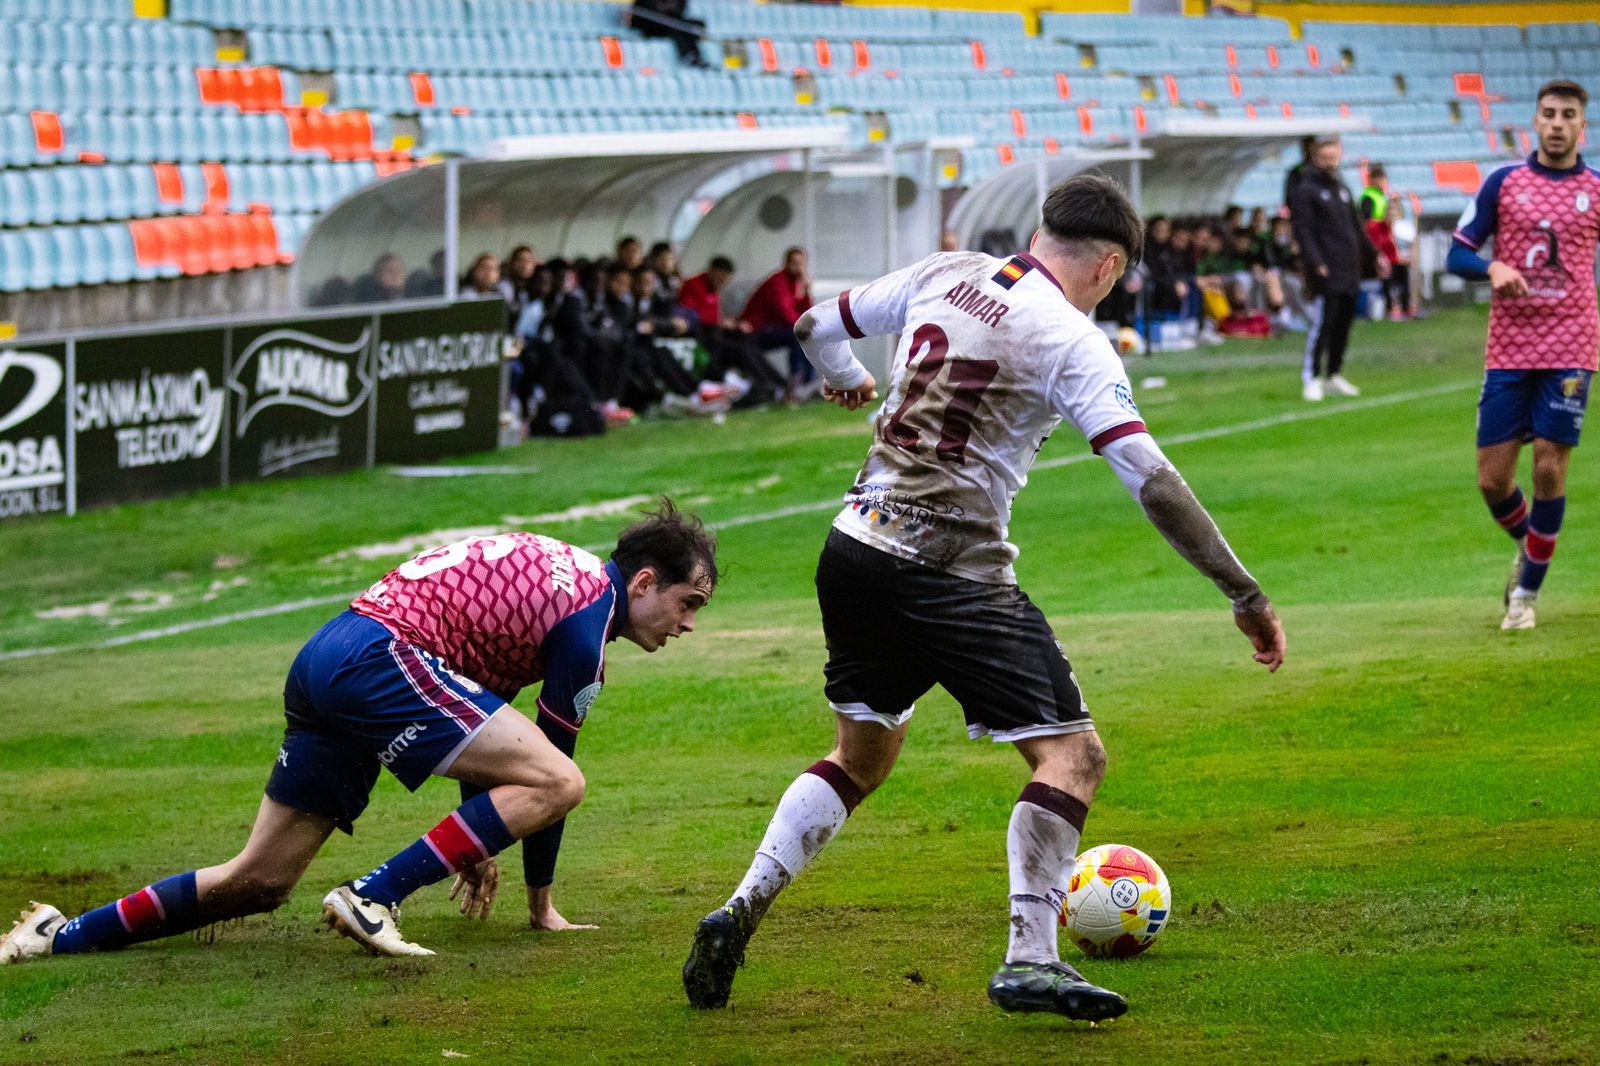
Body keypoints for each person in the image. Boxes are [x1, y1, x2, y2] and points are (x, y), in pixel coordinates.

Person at [681, 174, 1286, 1020]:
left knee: (859, 758)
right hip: (948, 567)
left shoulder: (945, 271)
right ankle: (1030, 957)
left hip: (853, 545)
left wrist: (850, 377)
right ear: (1110, 265)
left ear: (1042, 233)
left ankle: (739, 906)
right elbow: (1149, 477)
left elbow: (816, 324)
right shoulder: (1072, 340)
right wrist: (1242, 589)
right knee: (1074, 759)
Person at [2, 505, 718, 964]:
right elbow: (549, 770)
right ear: (645, 582)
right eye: (688, 604)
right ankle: (373, 895)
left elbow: (488, 724)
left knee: (258, 879)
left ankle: (57, 936)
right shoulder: (587, 622)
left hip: (329, 655)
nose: (686, 625)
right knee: (564, 781)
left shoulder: (566, 578)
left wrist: (477, 832)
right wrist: (542, 907)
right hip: (381, 656)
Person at [1446, 78, 1598, 631]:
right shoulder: (1504, 184)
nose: (1557, 124)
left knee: (1549, 468)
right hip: (1510, 347)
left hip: (1572, 344)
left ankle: (1525, 597)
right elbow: (1457, 253)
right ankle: (1532, 545)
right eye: (1549, 114)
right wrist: (1492, 267)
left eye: (1568, 116)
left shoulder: (1597, 190)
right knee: (1491, 480)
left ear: (1583, 126)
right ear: (1534, 122)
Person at [1289, 135, 1386, 402]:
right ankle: (1312, 377)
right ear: (1315, 156)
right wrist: (1315, 261)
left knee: (1343, 323)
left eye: (1334, 156)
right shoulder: (1306, 188)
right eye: (1325, 156)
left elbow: (1355, 226)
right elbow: (1303, 230)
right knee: (1324, 323)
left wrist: (1374, 255)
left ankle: (1334, 374)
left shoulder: (1341, 187)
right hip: (1326, 268)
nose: (1330, 161)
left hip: (1348, 267)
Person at [739, 246, 814, 399]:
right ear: (786, 263)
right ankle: (797, 381)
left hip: (773, 329)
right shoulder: (777, 282)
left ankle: (808, 382)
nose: (798, 268)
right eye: (795, 263)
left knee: (807, 335)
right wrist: (803, 329)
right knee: (798, 335)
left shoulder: (795, 283)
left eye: (801, 264)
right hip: (755, 331)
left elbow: (804, 311)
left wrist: (806, 292)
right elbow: (785, 313)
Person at [1359, 166, 1411, 321]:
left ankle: (1405, 307)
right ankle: (1388, 308)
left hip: (1387, 236)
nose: (1383, 183)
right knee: (1386, 276)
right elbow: (1367, 220)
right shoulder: (1369, 196)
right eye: (1380, 179)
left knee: (1401, 272)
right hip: (1376, 238)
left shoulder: (1382, 196)